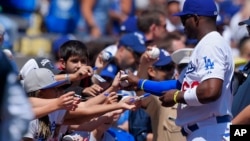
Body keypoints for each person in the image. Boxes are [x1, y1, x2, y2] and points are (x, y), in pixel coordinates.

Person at [159, 0, 234, 140]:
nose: (182, 24)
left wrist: (177, 96)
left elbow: (210, 91)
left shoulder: (211, 44)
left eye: (183, 18)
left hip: (209, 131)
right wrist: (140, 83)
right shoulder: (207, 44)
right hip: (207, 130)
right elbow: (176, 86)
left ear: (195, 18)